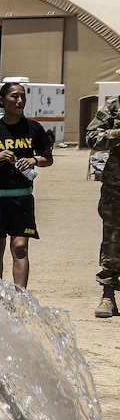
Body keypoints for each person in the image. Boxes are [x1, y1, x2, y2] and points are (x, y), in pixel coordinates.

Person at [0, 82, 53, 289]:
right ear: (2, 100)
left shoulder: (34, 128)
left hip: (22, 198)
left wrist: (34, 160)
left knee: (20, 246)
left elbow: (48, 159)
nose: (20, 100)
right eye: (15, 96)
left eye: (23, 96)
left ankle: (19, 297)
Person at [84, 96, 120, 318]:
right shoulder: (114, 107)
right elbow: (91, 138)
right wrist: (116, 134)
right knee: (113, 240)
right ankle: (108, 296)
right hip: (116, 187)